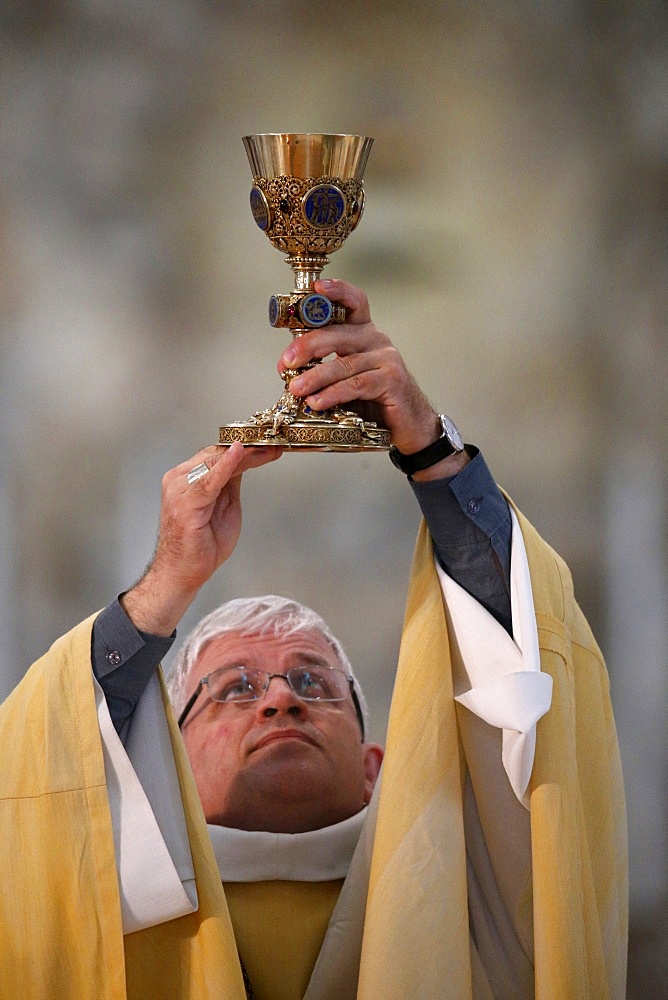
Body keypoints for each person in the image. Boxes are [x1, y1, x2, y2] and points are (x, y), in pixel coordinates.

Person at [0, 280, 627, 1000]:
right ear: (164, 770)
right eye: (234, 687)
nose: (277, 702)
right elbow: (48, 767)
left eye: (313, 684)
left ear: (375, 768)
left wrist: (431, 452)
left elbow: (527, 682)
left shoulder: (463, 889)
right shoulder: (113, 903)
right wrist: (164, 586)